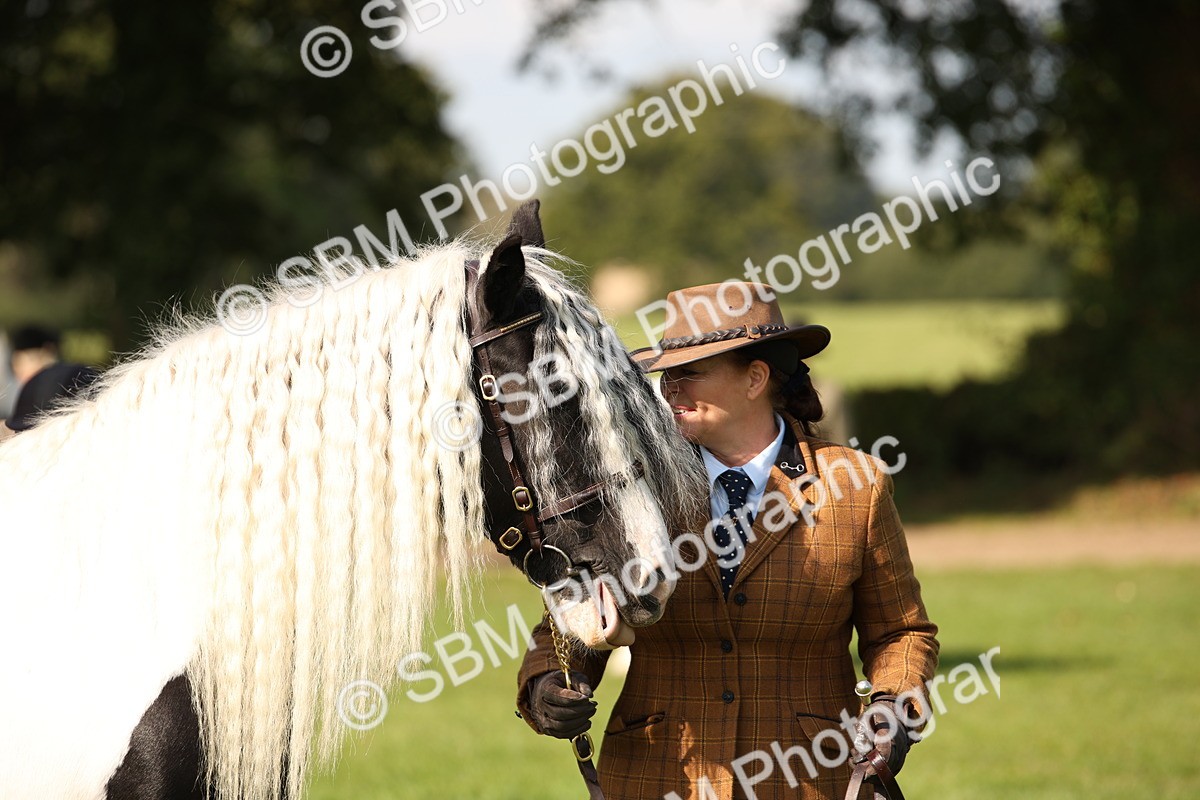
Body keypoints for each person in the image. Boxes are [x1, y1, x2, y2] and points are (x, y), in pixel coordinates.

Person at [515, 283, 939, 800]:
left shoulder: (856, 486)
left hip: (810, 779)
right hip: (658, 775)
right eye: (667, 373)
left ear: (755, 377)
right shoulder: (633, 492)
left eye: (689, 372)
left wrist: (894, 705)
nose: (669, 387)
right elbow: (576, 620)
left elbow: (901, 631)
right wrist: (547, 684)